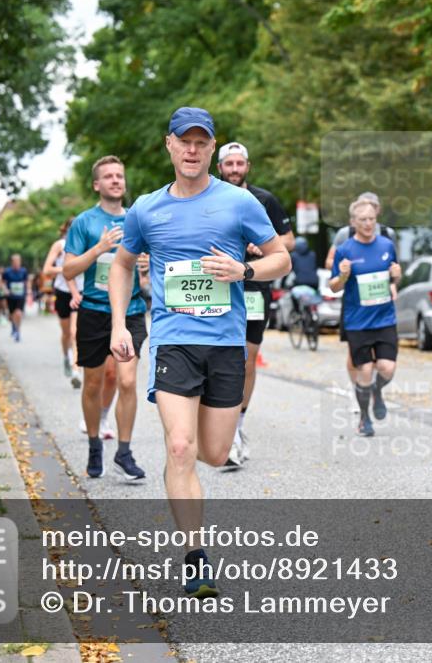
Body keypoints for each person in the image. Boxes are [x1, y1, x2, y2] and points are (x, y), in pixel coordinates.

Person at [109, 107, 290, 597]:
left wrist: (244, 272)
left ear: (213, 148)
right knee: (180, 446)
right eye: (183, 141)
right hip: (173, 341)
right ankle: (195, 557)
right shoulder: (146, 208)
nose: (192, 150)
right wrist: (119, 325)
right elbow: (122, 266)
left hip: (226, 345)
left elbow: (281, 257)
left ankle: (191, 483)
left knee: (213, 452)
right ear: (168, 144)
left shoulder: (238, 203)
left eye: (201, 142)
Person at [63, 155, 148, 481]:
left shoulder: (137, 222)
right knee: (94, 383)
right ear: (97, 184)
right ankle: (95, 445)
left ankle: (124, 452)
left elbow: (150, 265)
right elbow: (68, 269)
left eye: (119, 175)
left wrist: (144, 267)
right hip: (94, 312)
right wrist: (98, 249)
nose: (115, 180)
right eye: (108, 176)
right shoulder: (84, 222)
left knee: (126, 380)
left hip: (132, 311)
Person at [216, 141, 294, 467]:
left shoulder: (263, 200)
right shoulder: (210, 198)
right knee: (222, 358)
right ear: (219, 167)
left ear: (248, 166)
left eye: (239, 164)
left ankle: (237, 425)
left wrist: (263, 246)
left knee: (247, 360)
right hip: (218, 288)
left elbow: (287, 240)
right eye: (229, 164)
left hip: (254, 287)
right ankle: (224, 429)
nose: (234, 169)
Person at [328, 196, 402, 437]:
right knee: (366, 370)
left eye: (371, 219)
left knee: (387, 369)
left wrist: (397, 276)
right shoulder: (345, 250)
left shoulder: (386, 246)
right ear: (353, 222)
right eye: (363, 220)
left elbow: (393, 279)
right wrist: (342, 276)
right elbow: (333, 287)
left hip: (384, 318)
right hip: (358, 321)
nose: (368, 224)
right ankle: (365, 418)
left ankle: (376, 392)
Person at [43, 218, 86, 388]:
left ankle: (76, 370)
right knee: (66, 334)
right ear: (67, 230)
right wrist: (67, 268)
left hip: (81, 292)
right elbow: (46, 270)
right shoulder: (59, 245)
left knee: (76, 333)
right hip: (62, 292)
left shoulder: (87, 244)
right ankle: (66, 358)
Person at [1, 254, 29, 341]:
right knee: (12, 314)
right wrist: (5, 289)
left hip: (21, 295)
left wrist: (29, 290)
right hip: (11, 296)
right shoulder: (7, 271)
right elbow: (2, 282)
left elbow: (26, 281)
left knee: (19, 313)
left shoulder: (24, 271)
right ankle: (14, 326)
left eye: (19, 261)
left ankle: (18, 331)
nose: (17, 263)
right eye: (15, 261)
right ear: (12, 262)